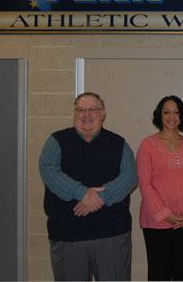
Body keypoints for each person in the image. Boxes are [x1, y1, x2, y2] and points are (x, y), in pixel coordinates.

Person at [38, 92, 137, 281]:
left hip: (111, 235)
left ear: (103, 113)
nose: (86, 114)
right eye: (81, 110)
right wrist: (82, 193)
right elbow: (49, 170)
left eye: (93, 109)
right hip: (67, 235)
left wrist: (101, 197)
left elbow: (130, 176)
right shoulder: (56, 141)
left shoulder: (118, 144)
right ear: (74, 113)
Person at [136, 95, 183, 281]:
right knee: (160, 274)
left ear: (182, 116)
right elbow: (145, 184)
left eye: (176, 112)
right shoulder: (147, 145)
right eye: (166, 112)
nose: (171, 116)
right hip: (157, 222)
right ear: (160, 115)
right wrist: (167, 215)